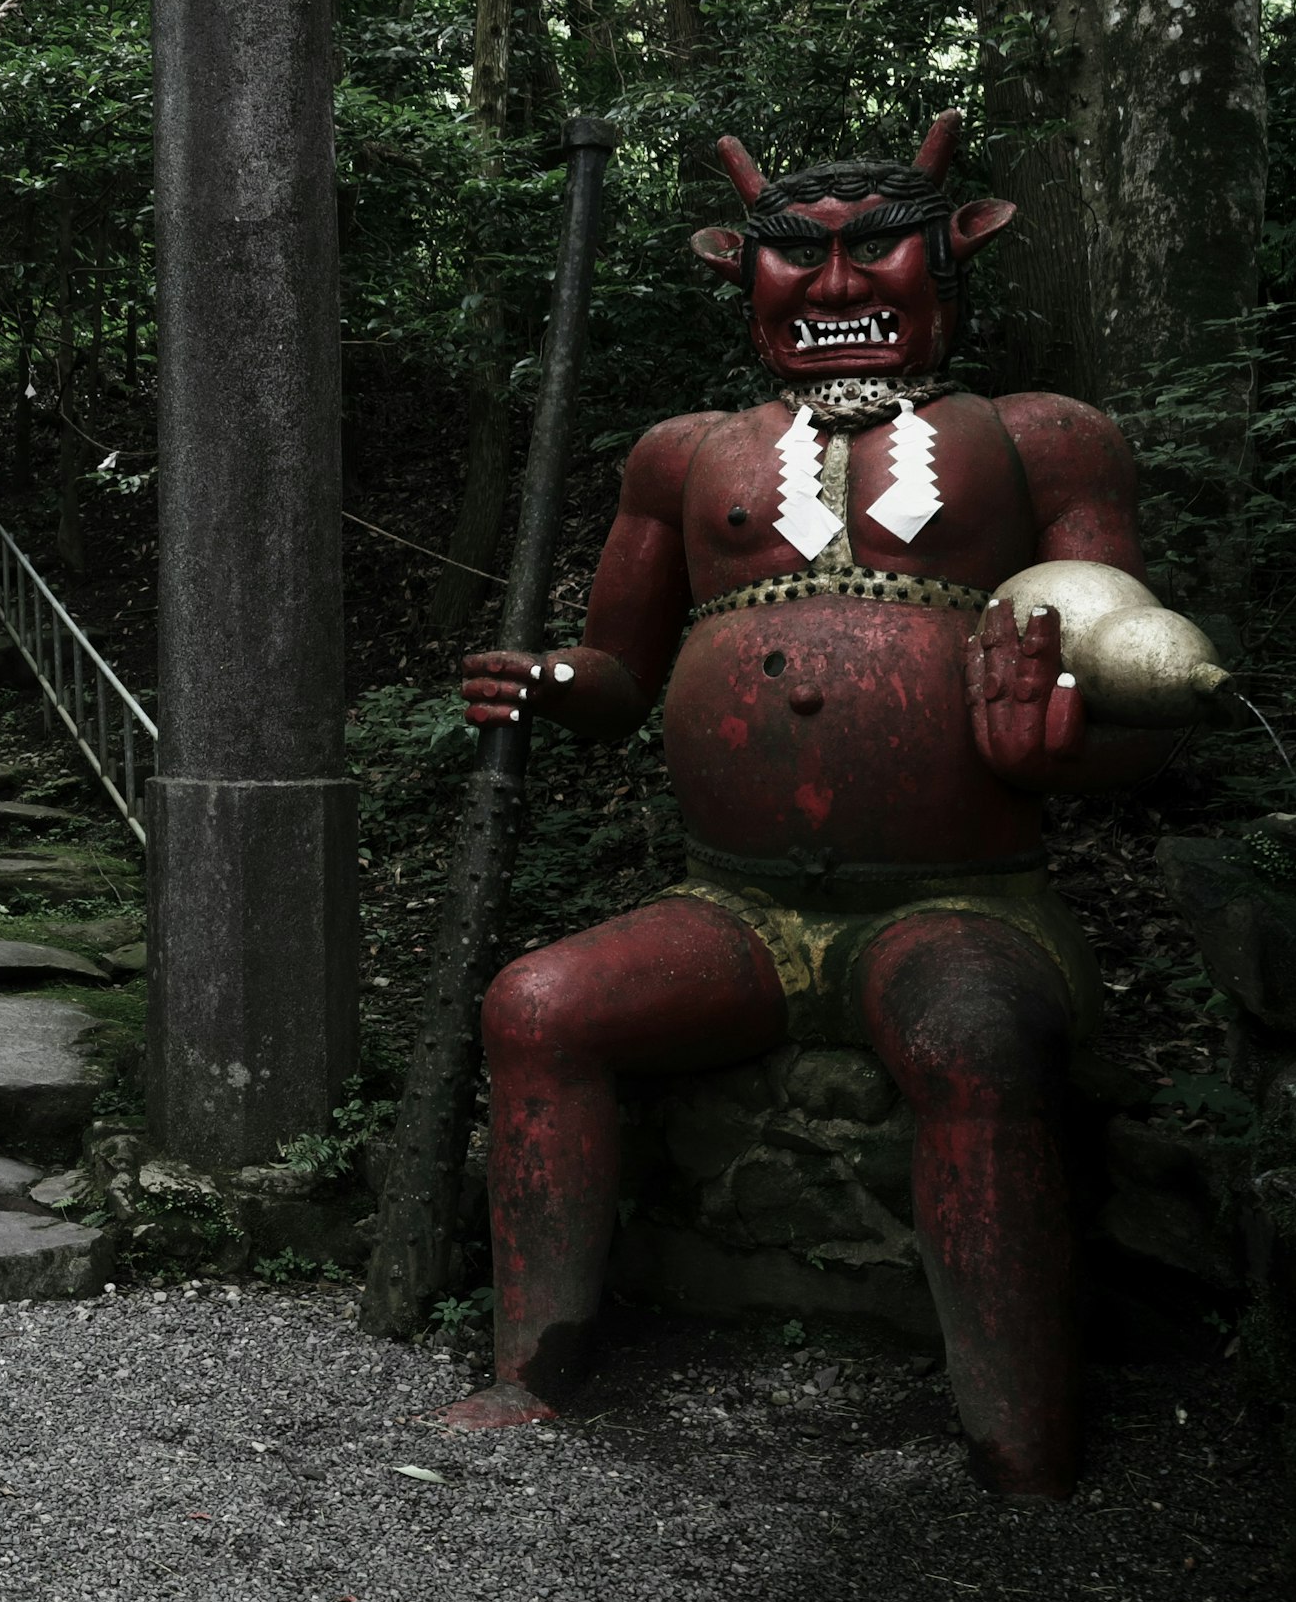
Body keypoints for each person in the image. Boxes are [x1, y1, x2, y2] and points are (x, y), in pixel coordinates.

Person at [447, 112, 1171, 1495]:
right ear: (741, 273)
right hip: (732, 903)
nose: (837, 290)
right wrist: (541, 677)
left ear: (951, 260)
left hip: (961, 900)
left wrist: (1065, 745)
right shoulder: (682, 457)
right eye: (797, 261)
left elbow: (1135, 681)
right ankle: (533, 1362)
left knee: (972, 1043)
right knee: (537, 1007)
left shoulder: (1041, 442)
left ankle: (1020, 1427)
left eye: (872, 254)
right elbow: (618, 672)